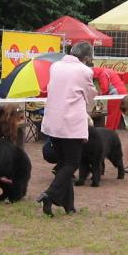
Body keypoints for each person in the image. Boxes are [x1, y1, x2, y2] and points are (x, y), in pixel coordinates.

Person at [36, 41, 97, 217]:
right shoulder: (85, 71)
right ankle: (50, 193)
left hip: (53, 122)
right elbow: (90, 95)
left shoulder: (55, 66)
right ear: (86, 58)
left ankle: (68, 206)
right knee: (72, 163)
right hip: (70, 124)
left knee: (63, 164)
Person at [92, 66, 127, 131]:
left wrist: (99, 101)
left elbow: (105, 89)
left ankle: (108, 132)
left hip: (116, 94)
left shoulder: (103, 74)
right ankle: (113, 132)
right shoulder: (107, 71)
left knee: (112, 115)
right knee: (116, 115)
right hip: (122, 92)